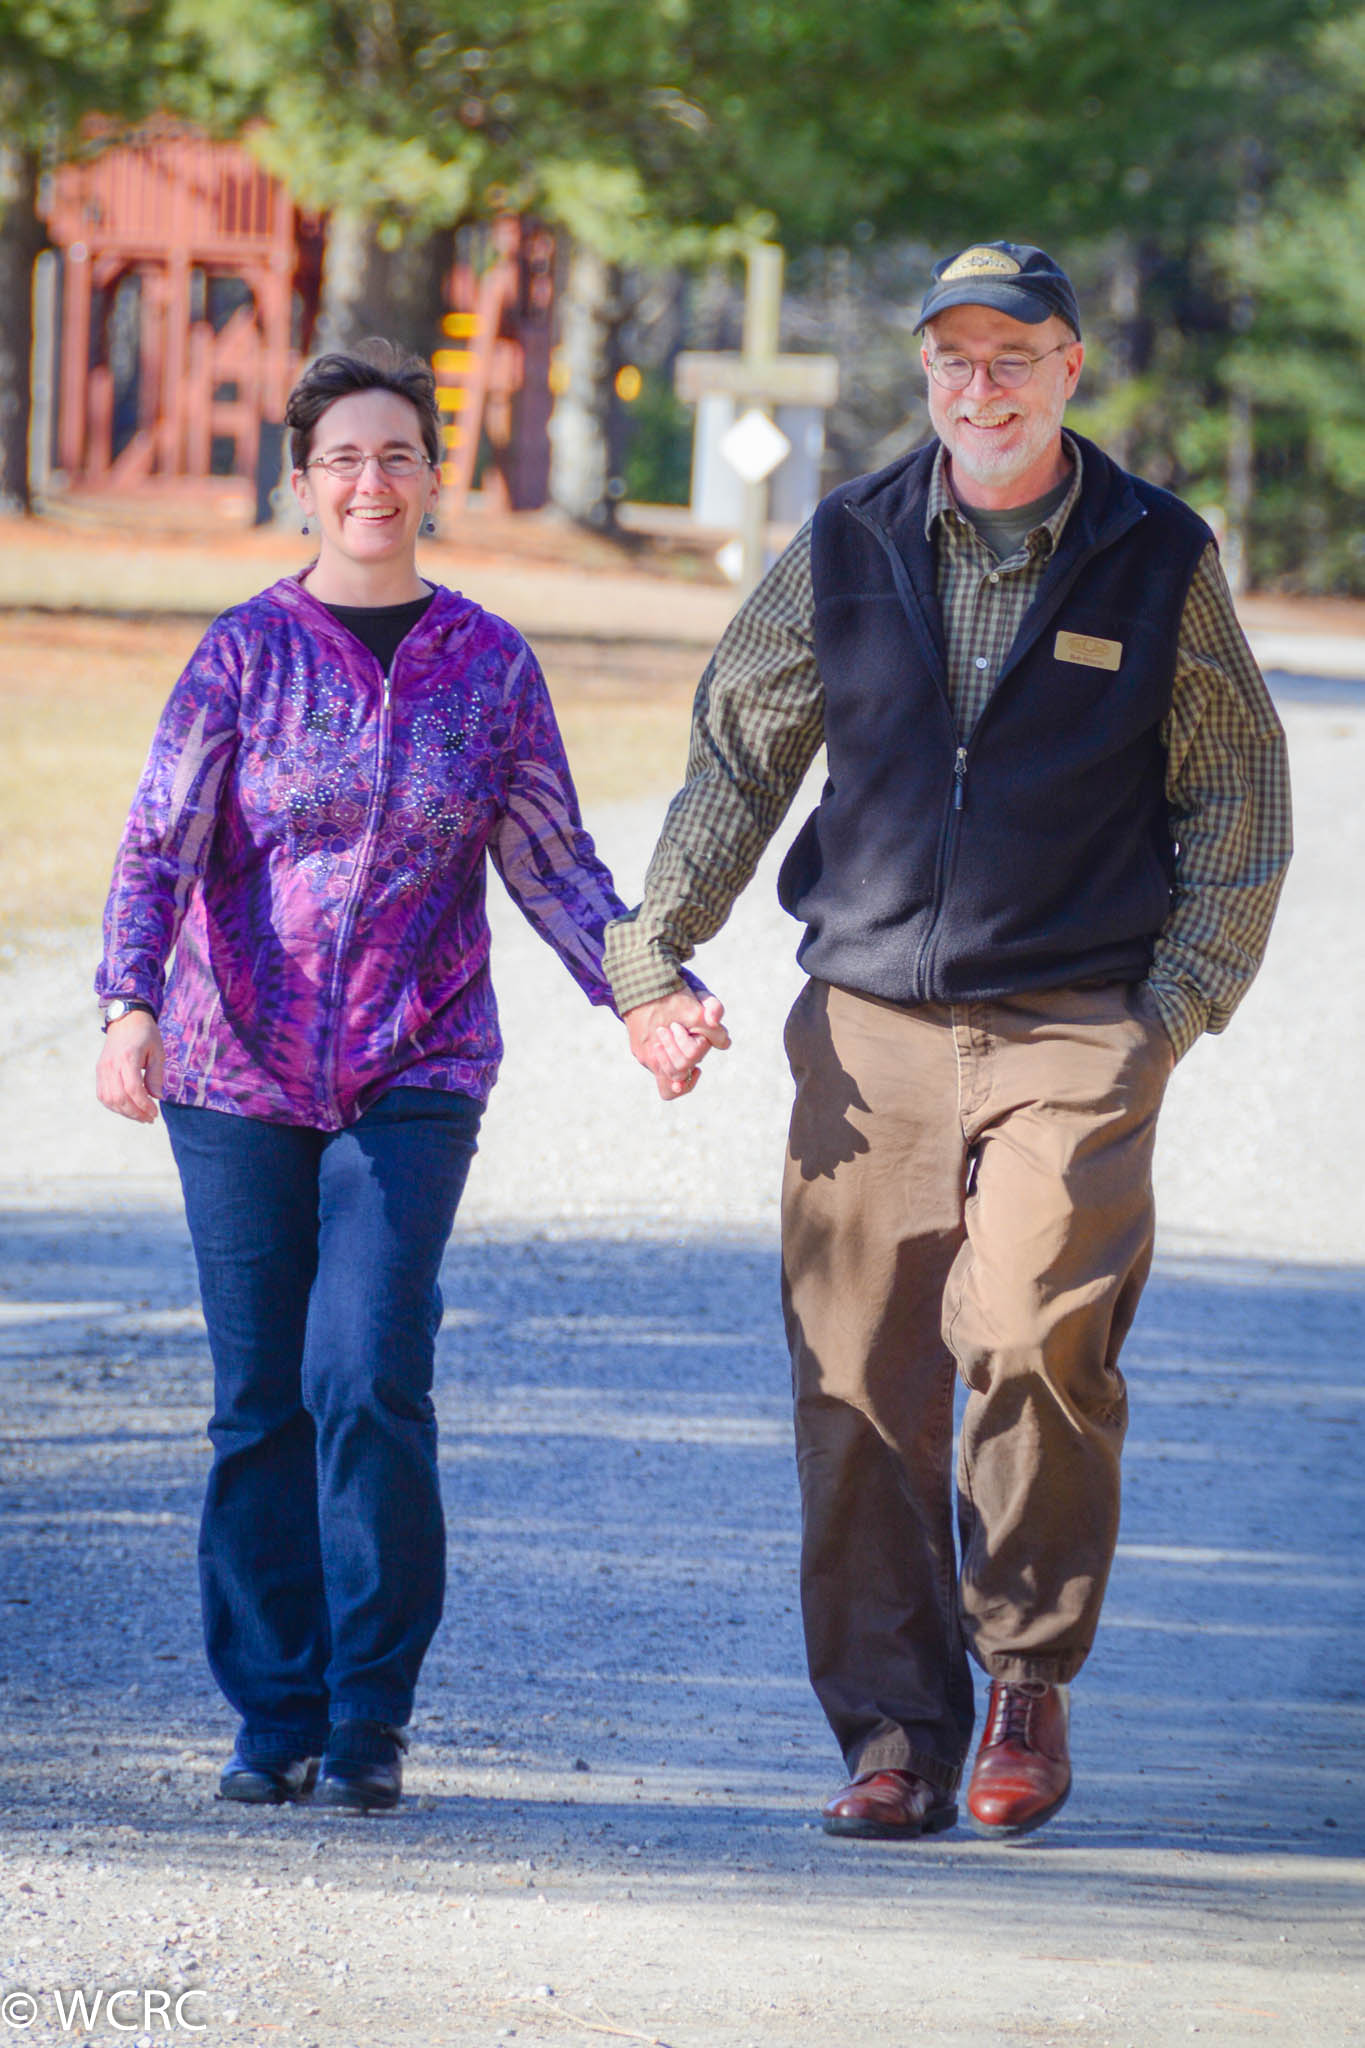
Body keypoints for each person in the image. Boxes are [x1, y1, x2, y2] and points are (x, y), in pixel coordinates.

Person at [608, 243, 1292, 1840]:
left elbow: (1238, 797)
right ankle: (889, 1737)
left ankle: (1023, 1682)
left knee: (1034, 1333)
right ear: (923, 375)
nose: (977, 388)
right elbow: (738, 749)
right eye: (951, 361)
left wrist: (1169, 1008)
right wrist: (658, 949)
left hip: (1073, 1025)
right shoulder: (844, 540)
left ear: (1067, 369)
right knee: (858, 1370)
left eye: (1011, 358)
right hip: (869, 1028)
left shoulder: (1153, 553)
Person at [94, 340, 713, 1813]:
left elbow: (554, 860)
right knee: (260, 1401)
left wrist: (646, 995)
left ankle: (369, 1714)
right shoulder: (242, 650)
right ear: (300, 485)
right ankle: (273, 1716)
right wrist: (127, 1001)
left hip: (415, 1067)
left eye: (396, 456)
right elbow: (156, 838)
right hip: (233, 1073)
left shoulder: (488, 663)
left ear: (433, 478)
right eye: (341, 459)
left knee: (365, 1371)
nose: (370, 483)